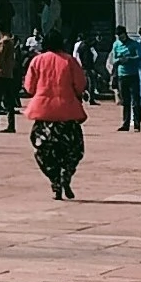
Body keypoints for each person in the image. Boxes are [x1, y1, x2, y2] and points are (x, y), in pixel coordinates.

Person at [23, 32, 87, 200]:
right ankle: (66, 175)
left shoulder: (37, 61)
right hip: (67, 112)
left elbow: (29, 87)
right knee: (73, 149)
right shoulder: (69, 61)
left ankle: (55, 181)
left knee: (43, 151)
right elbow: (80, 85)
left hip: (44, 113)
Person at [109, 26, 141, 132]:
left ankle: (137, 124)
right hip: (121, 75)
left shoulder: (134, 44)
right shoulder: (116, 45)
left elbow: (140, 57)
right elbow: (113, 59)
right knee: (125, 101)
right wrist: (119, 60)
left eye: (121, 35)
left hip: (133, 74)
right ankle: (125, 123)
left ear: (125, 34)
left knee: (136, 101)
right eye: (118, 36)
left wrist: (129, 59)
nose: (120, 38)